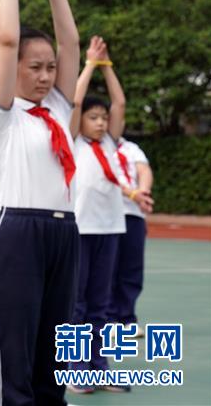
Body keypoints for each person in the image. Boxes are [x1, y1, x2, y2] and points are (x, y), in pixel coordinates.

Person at [0, 0, 80, 406]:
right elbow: (6, 39)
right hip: (17, 233)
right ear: (16, 69)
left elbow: (70, 40)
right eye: (33, 67)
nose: (43, 76)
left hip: (64, 233)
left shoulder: (60, 109)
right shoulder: (3, 114)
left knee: (55, 362)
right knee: (14, 364)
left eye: (48, 68)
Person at [66, 36, 153, 394]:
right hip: (81, 230)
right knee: (78, 303)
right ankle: (75, 367)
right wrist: (88, 65)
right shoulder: (72, 141)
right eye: (94, 117)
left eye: (104, 118)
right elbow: (73, 100)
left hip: (111, 229)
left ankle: (101, 368)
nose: (101, 123)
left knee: (102, 304)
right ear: (81, 121)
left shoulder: (113, 144)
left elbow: (120, 101)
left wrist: (107, 66)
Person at [111, 137, 153, 336]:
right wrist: (131, 194)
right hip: (106, 215)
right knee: (107, 269)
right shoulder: (92, 147)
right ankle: (107, 319)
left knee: (132, 268)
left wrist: (142, 192)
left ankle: (127, 318)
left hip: (133, 214)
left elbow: (143, 170)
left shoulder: (131, 147)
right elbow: (106, 177)